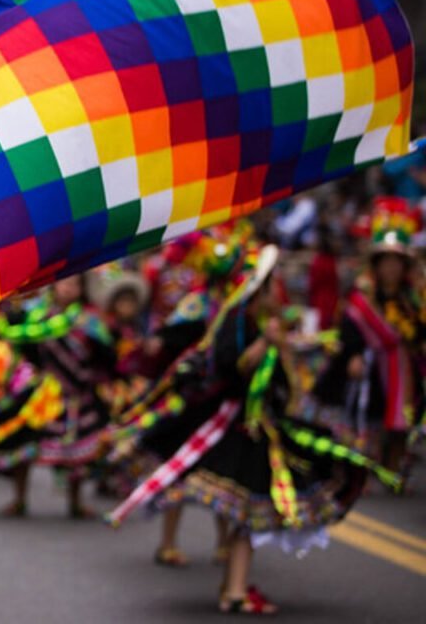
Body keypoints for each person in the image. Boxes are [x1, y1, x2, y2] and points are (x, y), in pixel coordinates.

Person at [107, 245, 398, 615]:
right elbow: (231, 366)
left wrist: (283, 345)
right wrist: (267, 344)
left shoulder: (251, 319)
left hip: (253, 425)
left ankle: (232, 583)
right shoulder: (228, 318)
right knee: (244, 513)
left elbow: (285, 383)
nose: (274, 293)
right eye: (268, 286)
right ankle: (234, 588)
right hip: (235, 427)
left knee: (240, 515)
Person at [0, 274, 113, 518]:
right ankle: (19, 499)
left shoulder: (88, 320)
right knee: (25, 445)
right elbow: (15, 336)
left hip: (77, 395)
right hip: (43, 393)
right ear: (54, 286)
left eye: (74, 284)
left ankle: (75, 502)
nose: (68, 288)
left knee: (77, 451)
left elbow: (106, 354)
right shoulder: (37, 315)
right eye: (64, 283)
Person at [313, 197, 426, 473]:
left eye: (396, 262)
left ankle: (395, 464)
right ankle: (364, 464)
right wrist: (353, 355)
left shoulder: (413, 297)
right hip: (372, 367)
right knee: (367, 415)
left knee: (403, 419)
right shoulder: (363, 296)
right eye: (385, 262)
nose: (391, 268)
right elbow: (350, 327)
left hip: (404, 368)